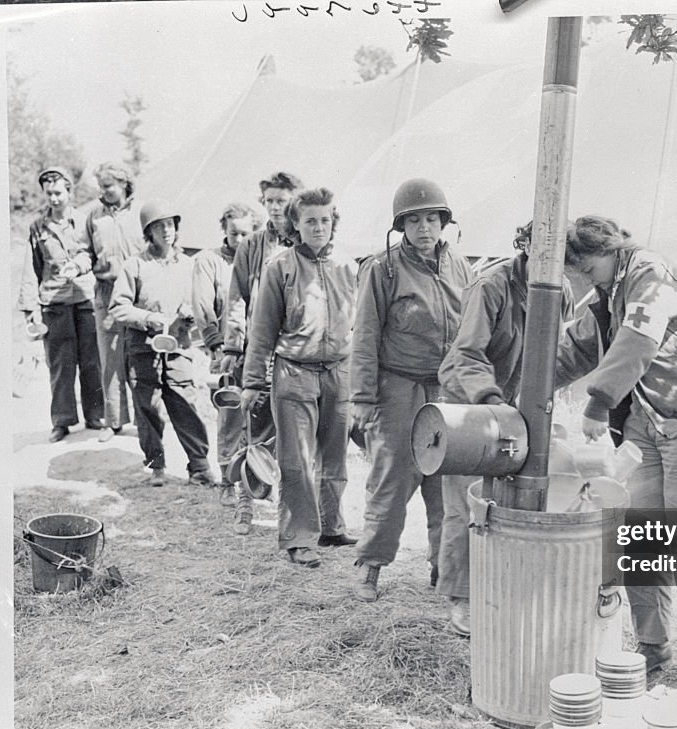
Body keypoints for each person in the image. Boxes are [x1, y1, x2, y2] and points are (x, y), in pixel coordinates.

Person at [554, 215, 677, 687]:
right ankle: (652, 649)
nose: (582, 276)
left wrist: (598, 401)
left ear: (611, 251)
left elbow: (637, 341)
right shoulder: (608, 295)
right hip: (646, 421)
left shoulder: (649, 274)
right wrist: (522, 385)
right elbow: (574, 350)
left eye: (585, 265)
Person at [436, 222, 573, 635]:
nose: (550, 255)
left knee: (512, 500)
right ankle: (462, 597)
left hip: (514, 407)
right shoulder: (491, 285)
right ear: (524, 244)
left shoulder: (561, 290)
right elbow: (467, 354)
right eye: (541, 244)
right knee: (466, 503)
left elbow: (555, 354)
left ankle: (497, 587)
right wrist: (491, 402)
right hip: (469, 400)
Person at [350, 178, 473, 602]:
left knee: (447, 479)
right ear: (401, 225)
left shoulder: (459, 264)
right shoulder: (381, 268)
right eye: (415, 220)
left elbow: (471, 327)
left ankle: (445, 569)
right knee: (393, 478)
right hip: (397, 387)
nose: (425, 227)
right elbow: (364, 336)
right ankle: (371, 566)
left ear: (444, 222)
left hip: (446, 388)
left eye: (433, 218)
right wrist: (363, 398)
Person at [240, 187, 358, 568]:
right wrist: (252, 382)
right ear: (296, 224)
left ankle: (332, 526)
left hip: (338, 373)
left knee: (336, 457)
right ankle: (299, 537)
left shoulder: (347, 268)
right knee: (296, 461)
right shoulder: (280, 268)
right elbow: (261, 333)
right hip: (294, 374)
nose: (319, 227)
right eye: (310, 221)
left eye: (325, 220)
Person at [109, 201, 214, 487]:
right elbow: (118, 308)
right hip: (144, 347)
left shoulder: (189, 264)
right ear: (148, 232)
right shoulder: (136, 265)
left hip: (178, 346)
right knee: (148, 407)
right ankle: (156, 465)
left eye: (170, 224)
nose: (166, 231)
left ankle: (201, 466)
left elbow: (201, 299)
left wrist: (190, 311)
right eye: (159, 226)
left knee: (185, 402)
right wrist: (147, 318)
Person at [221, 172, 302, 535]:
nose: (274, 207)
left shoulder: (307, 242)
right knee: (250, 428)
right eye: (268, 200)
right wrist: (232, 345)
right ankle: (244, 505)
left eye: (281, 200)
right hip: (258, 352)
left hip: (297, 354)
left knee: (291, 433)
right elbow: (237, 298)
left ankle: (288, 506)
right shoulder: (251, 246)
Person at [17, 167, 104, 442]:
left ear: (69, 191)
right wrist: (30, 309)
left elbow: (94, 256)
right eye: (49, 194)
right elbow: (31, 268)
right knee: (60, 364)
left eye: (58, 193)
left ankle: (96, 415)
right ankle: (62, 420)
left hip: (85, 299)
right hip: (54, 302)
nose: (54, 199)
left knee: (92, 361)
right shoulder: (37, 227)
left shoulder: (84, 221)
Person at [191, 202, 262, 506]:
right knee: (230, 415)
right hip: (227, 350)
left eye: (247, 233)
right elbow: (203, 305)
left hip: (259, 350)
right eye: (234, 232)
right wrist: (216, 343)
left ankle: (257, 480)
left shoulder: (261, 259)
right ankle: (227, 480)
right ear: (225, 229)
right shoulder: (209, 261)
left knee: (260, 416)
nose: (240, 238)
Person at [82, 162, 142, 441]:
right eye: (101, 187)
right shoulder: (94, 215)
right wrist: (78, 264)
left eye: (108, 186)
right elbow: (84, 250)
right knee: (110, 358)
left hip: (138, 293)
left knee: (140, 357)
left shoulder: (140, 212)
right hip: (106, 292)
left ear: (123, 184)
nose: (103, 192)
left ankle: (146, 418)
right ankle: (113, 420)